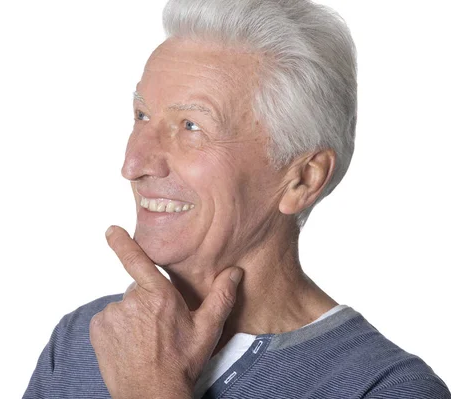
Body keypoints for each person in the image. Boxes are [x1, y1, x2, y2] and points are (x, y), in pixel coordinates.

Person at [23, 0, 450, 397]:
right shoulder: (87, 337)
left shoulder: (382, 388)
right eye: (142, 115)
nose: (134, 164)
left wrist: (150, 386)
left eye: (190, 126)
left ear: (302, 178)